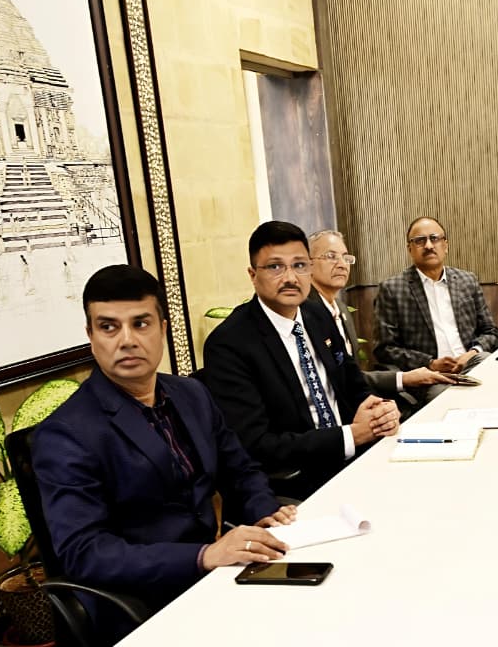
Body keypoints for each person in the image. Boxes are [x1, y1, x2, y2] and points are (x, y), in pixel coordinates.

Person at [33, 265, 295, 640]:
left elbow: (240, 468)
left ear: (163, 329)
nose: (127, 340)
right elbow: (85, 552)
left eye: (141, 324)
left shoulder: (191, 394)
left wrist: (264, 511)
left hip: (216, 577)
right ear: (91, 337)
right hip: (141, 603)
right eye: (108, 327)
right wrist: (203, 556)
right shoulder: (66, 433)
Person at [203, 221, 400, 498]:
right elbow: (256, 444)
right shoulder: (229, 344)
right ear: (253, 275)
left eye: (299, 265)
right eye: (275, 267)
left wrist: (378, 410)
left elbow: (353, 383)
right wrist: (350, 436)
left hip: (355, 459)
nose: (290, 278)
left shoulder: (316, 314)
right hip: (294, 481)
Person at [307, 229, 454, 411]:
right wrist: (405, 378)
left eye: (346, 258)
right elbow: (336, 378)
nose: (342, 264)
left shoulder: (341, 308)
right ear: (307, 264)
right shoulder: (305, 313)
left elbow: (352, 375)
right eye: (331, 256)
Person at [374, 217, 498, 382]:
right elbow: (385, 349)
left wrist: (473, 352)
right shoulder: (392, 289)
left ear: (445, 245)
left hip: (472, 363)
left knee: (495, 373)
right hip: (429, 375)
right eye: (420, 240)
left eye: (434, 238)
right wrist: (430, 363)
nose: (428, 245)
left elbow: (491, 332)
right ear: (410, 249)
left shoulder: (467, 281)